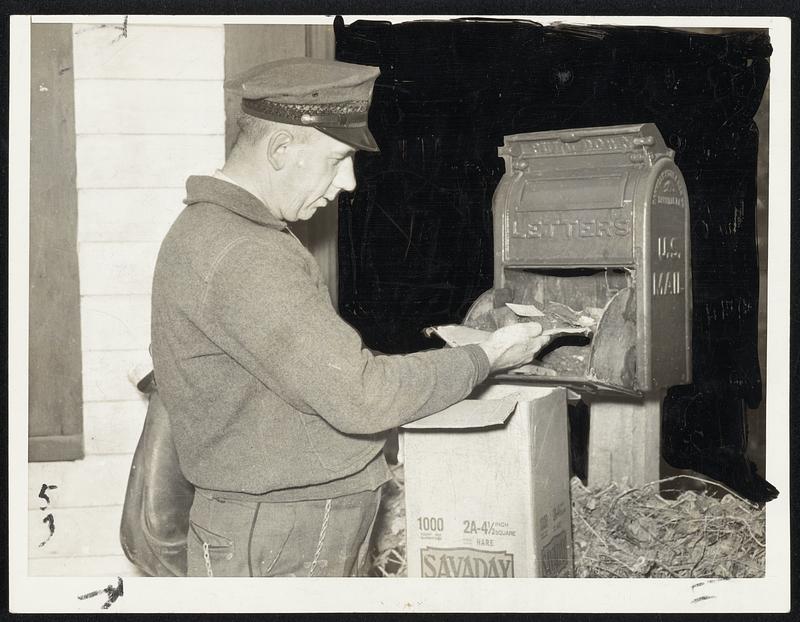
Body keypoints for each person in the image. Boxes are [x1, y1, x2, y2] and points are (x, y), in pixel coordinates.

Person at [150, 57, 547, 578]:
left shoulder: (220, 232)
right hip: (284, 535)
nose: (350, 183)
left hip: (277, 526)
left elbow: (306, 376)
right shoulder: (244, 252)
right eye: (338, 159)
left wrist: (443, 358)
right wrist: (487, 357)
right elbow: (363, 398)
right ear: (280, 149)